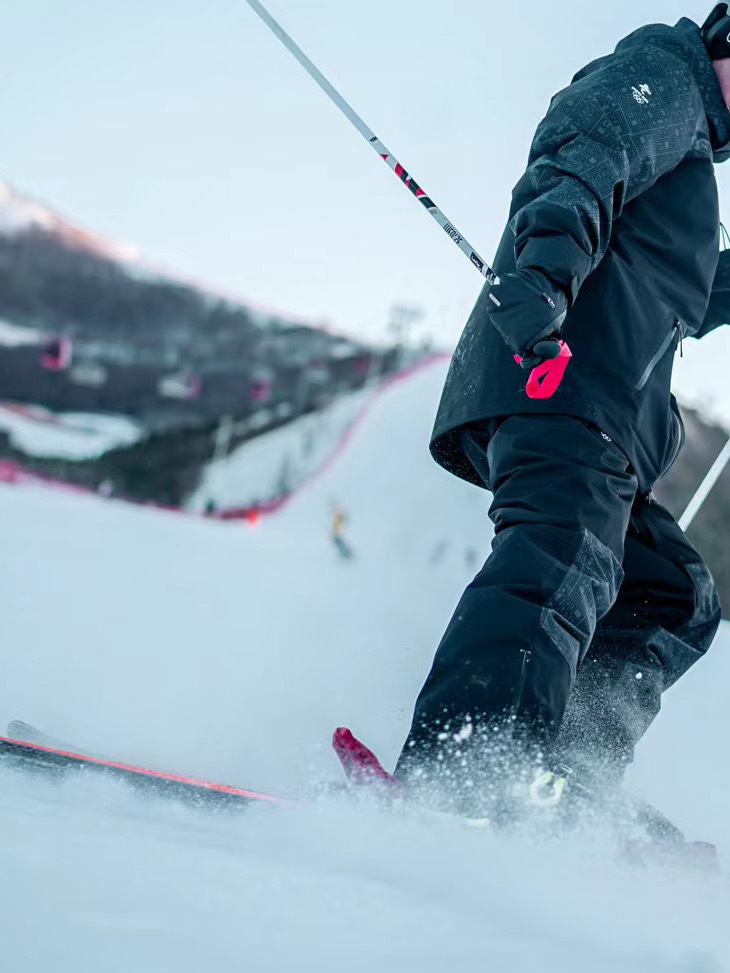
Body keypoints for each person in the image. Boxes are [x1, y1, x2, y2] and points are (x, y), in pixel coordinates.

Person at [395, 8, 730, 817]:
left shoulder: (689, 162)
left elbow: (674, 291)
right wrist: (543, 278)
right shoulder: (662, 79)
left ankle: (561, 786)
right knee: (562, 553)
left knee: (672, 596)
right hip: (560, 379)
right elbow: (582, 156)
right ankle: (463, 769)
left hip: (612, 419)